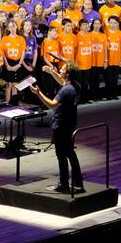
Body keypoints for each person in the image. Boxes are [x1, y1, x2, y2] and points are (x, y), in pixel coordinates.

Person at [29, 62, 84, 194]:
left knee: (61, 155)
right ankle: (78, 181)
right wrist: (51, 72)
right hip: (71, 123)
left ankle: (63, 184)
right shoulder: (75, 86)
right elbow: (62, 81)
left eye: (62, 69)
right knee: (70, 152)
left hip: (61, 125)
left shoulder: (65, 90)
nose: (60, 70)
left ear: (68, 73)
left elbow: (52, 104)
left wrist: (38, 93)